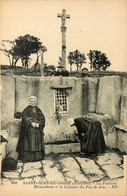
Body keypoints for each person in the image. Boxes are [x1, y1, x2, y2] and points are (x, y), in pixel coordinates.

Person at [16, 96, 45, 162]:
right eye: (31, 101)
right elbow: (25, 118)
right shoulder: (26, 110)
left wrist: (39, 123)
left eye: (34, 101)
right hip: (29, 128)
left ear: (36, 102)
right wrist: (31, 122)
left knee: (37, 141)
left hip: (37, 128)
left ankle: (38, 157)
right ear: (29, 102)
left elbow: (42, 118)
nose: (33, 103)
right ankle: (29, 157)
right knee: (29, 142)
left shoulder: (38, 109)